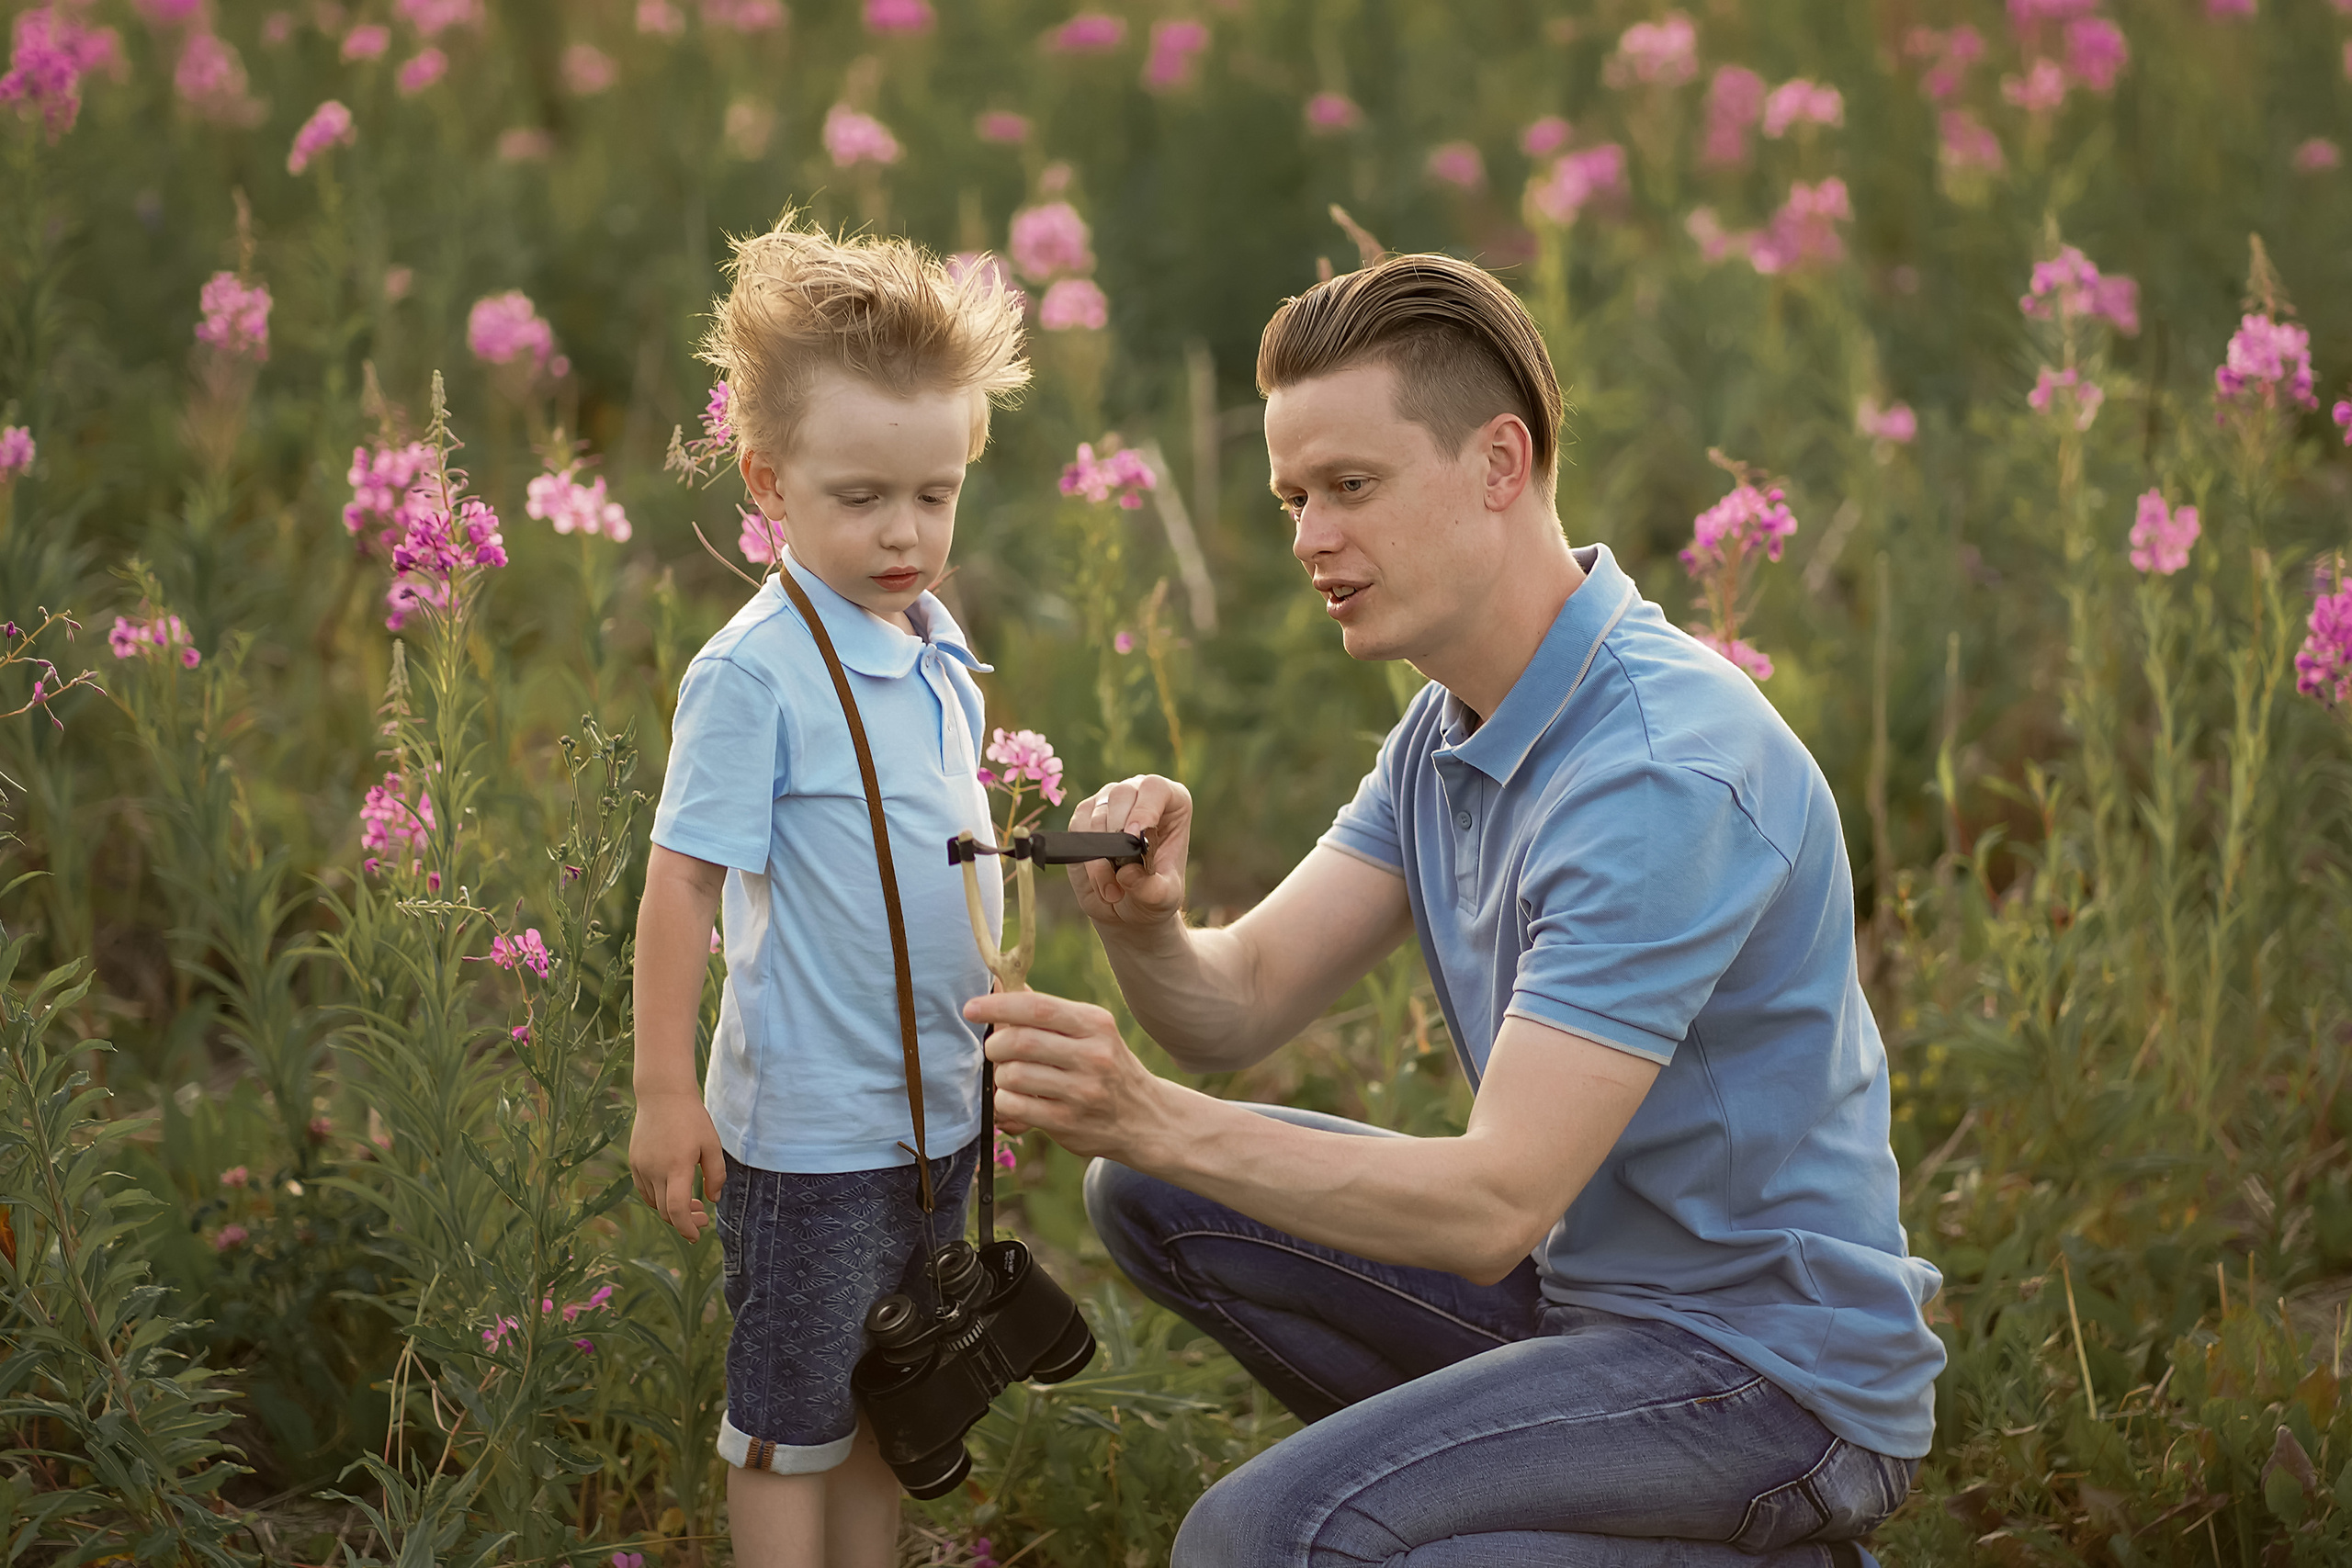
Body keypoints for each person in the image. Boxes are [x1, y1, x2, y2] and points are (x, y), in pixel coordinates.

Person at [967, 253, 1946, 1567]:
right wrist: (1145, 930)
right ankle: (1508, 1516)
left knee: (1259, 1542)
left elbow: (1492, 1204)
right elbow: (1237, 1003)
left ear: (1500, 463)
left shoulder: (1659, 770)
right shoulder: (1452, 725)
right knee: (1150, 1188)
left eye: (1352, 487)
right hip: (1590, 1312)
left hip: (1771, 1382)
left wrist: (1147, 1105)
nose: (1311, 537)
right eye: (1294, 496)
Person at [628, 216, 1028, 1568]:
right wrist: (663, 1090)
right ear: (768, 480)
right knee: (788, 1418)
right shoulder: (756, 674)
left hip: (930, 1115)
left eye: (936, 493)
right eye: (861, 499)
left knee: (893, 1397)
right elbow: (681, 885)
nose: (905, 532)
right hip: (808, 1140)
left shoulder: (933, 645)